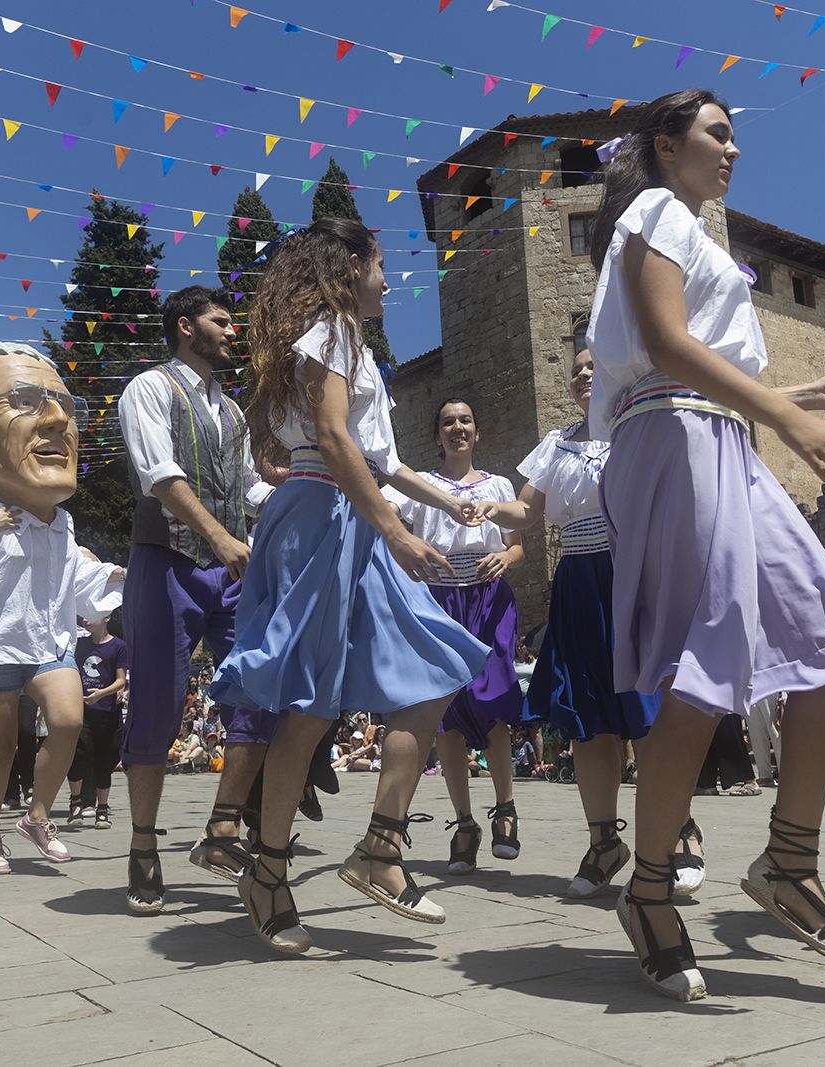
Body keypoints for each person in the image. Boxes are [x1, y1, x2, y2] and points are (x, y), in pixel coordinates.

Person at [584, 89, 825, 999]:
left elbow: (716, 375)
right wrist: (786, 414)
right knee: (705, 671)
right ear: (666, 145)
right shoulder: (654, 210)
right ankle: (650, 893)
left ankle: (788, 863)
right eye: (717, 135)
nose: (734, 151)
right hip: (670, 440)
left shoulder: (697, 233)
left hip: (718, 439)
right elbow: (664, 346)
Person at [211, 217, 490, 954]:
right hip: (320, 514)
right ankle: (269, 871)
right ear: (347, 269)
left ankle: (380, 846)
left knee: (435, 668)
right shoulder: (330, 330)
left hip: (350, 514)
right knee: (307, 704)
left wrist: (441, 503)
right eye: (379, 263)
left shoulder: (349, 343)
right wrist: (399, 533)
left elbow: (382, 458)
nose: (388, 278)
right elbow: (333, 441)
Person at [479, 346, 666, 898]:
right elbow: (527, 511)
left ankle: (676, 830)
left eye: (594, 365)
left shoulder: (639, 425)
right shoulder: (556, 443)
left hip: (633, 572)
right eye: (577, 370)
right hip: (579, 580)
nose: (585, 373)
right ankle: (604, 841)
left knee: (646, 708)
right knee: (586, 715)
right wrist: (484, 509)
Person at [0, 342, 124, 874]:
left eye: (66, 405)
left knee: (66, 720)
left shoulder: (61, 524)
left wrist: (126, 575)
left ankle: (38, 815)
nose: (60, 418)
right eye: (25, 400)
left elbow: (78, 582)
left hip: (48, 643)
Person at [115, 286, 275, 915]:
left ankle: (223, 826)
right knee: (157, 703)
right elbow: (160, 476)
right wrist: (222, 538)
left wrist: (300, 485)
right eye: (220, 319)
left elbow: (248, 487)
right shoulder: (148, 388)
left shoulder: (232, 412)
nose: (231, 329)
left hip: (232, 571)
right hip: (166, 561)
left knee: (261, 687)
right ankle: (143, 844)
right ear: (186, 326)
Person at [385, 398, 524, 875]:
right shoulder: (420, 488)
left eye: (466, 420)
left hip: (488, 599)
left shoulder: (499, 485)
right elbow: (390, 525)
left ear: (477, 432)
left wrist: (509, 558)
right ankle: (465, 822)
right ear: (437, 435)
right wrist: (413, 554)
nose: (458, 428)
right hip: (440, 601)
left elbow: (518, 542)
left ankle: (505, 808)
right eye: (448, 422)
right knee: (444, 713)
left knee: (493, 700)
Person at [68, 615, 128, 830]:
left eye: (91, 616)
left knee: (104, 760)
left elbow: (121, 679)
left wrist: (102, 693)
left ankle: (102, 808)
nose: (86, 620)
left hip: (107, 711)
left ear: (106, 617)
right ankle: (76, 801)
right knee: (78, 754)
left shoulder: (118, 646)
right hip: (81, 709)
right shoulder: (79, 644)